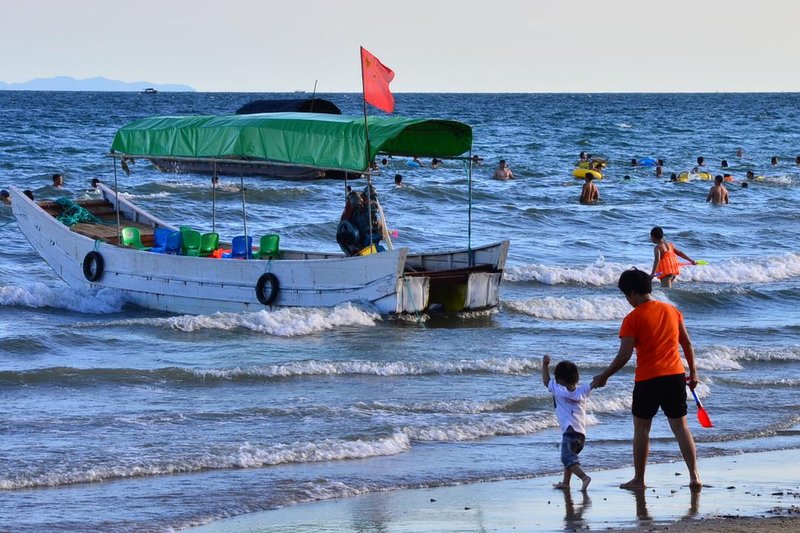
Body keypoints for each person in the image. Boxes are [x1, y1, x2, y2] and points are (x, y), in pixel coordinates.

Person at [591, 267, 701, 491]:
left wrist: (604, 376)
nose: (627, 300)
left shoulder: (632, 319)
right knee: (681, 427)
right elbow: (687, 343)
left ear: (632, 293)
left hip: (648, 379)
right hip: (675, 375)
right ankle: (694, 476)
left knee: (641, 429)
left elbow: (624, 355)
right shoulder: (672, 310)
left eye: (626, 295)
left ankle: (639, 480)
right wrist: (694, 372)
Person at [542, 355, 593, 492]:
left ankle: (584, 477)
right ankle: (566, 483)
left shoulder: (558, 390)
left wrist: (545, 365)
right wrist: (603, 378)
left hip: (570, 432)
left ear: (560, 380)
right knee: (570, 458)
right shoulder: (582, 391)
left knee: (566, 458)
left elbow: (546, 381)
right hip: (581, 434)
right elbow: (595, 383)